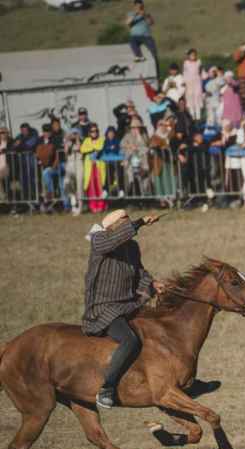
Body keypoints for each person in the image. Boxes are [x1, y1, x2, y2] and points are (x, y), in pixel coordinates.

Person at [83, 209, 165, 409]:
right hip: (104, 308)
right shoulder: (99, 240)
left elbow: (139, 272)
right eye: (125, 221)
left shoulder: (132, 247)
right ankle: (106, 389)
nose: (128, 224)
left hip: (127, 305)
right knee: (129, 339)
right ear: (113, 226)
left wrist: (153, 284)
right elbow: (112, 240)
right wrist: (140, 222)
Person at [80, 124, 107, 213]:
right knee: (91, 187)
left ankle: (101, 206)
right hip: (90, 166)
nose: (94, 133)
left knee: (100, 186)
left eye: (95, 131)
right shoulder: (86, 140)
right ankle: (93, 206)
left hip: (99, 166)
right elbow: (83, 149)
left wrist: (92, 149)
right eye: (92, 131)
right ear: (89, 133)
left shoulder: (101, 139)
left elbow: (101, 147)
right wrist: (94, 149)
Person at [126, 0, 158, 71]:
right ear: (134, 6)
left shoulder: (146, 14)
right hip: (135, 36)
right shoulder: (131, 14)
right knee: (132, 41)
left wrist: (145, 15)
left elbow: (151, 23)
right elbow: (128, 23)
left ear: (142, 6)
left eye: (140, 6)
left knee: (153, 51)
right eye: (137, 6)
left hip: (146, 35)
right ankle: (139, 56)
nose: (139, 7)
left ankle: (155, 66)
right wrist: (136, 14)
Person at [183, 49, 204, 120]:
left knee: (197, 96)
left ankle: (198, 116)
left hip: (197, 82)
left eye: (194, 55)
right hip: (189, 83)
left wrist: (203, 77)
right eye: (191, 55)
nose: (193, 56)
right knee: (190, 97)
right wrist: (184, 81)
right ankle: (192, 115)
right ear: (188, 56)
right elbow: (185, 72)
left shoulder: (198, 62)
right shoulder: (186, 63)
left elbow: (201, 71)